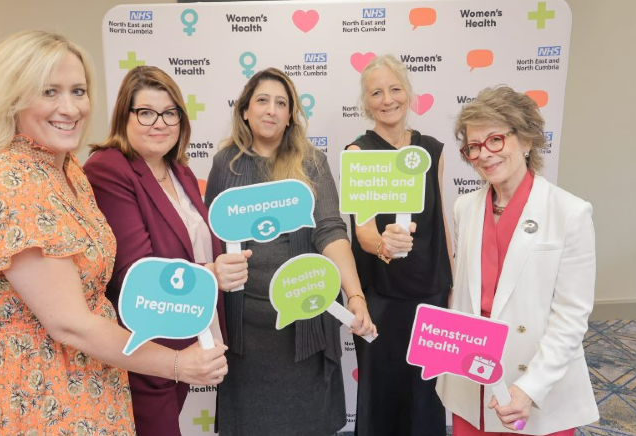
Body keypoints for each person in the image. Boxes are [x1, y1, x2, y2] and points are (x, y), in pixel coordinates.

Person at [0, 31, 227, 435]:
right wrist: (177, 365)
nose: (70, 107)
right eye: (50, 91)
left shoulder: (70, 174)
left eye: (78, 91)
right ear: (12, 99)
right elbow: (71, 324)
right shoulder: (11, 184)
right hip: (42, 392)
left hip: (96, 377)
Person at [204, 67, 376, 436]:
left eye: (281, 103)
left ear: (290, 115)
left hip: (305, 321)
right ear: (245, 110)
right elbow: (214, 236)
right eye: (262, 100)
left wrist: (355, 295)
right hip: (246, 332)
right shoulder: (225, 164)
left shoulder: (311, 162)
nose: (271, 110)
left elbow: (331, 230)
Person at [83, 65, 250, 436]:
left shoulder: (179, 170)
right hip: (145, 344)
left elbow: (194, 243)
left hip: (185, 336)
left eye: (170, 112)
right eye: (146, 112)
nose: (160, 123)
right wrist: (210, 274)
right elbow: (135, 271)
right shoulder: (109, 170)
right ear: (124, 115)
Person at [437, 86, 599, 435]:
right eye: (474, 147)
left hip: (535, 384)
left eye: (495, 139)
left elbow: (571, 318)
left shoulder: (569, 212)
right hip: (473, 382)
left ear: (525, 140)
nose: (484, 154)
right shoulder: (464, 208)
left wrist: (529, 388)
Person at [345, 54, 453, 436]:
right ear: (366, 102)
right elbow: (364, 230)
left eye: (395, 89)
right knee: (383, 389)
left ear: (408, 93)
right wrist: (384, 247)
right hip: (383, 294)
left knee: (427, 392)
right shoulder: (358, 153)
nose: (387, 99)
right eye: (376, 92)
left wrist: (453, 283)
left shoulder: (432, 150)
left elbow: (440, 220)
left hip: (431, 288)